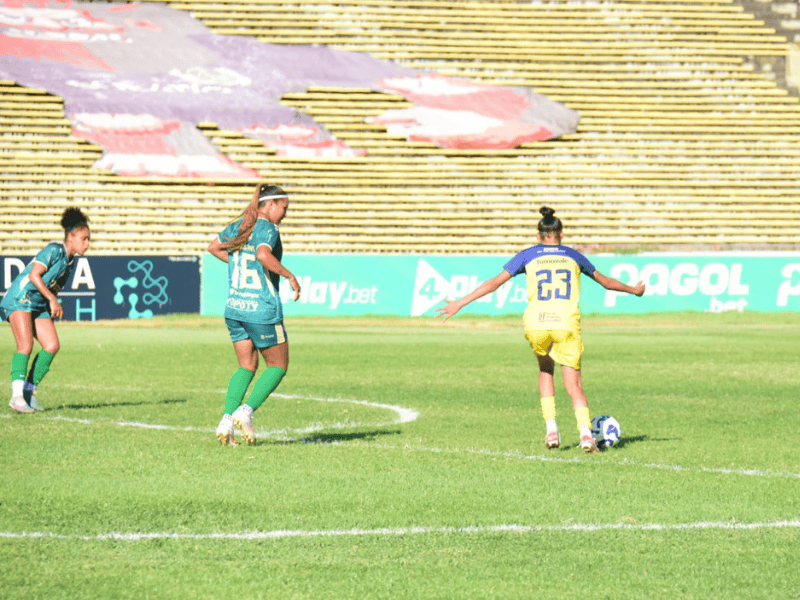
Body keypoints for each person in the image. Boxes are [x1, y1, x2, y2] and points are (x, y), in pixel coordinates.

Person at [436, 206, 645, 453]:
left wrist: (460, 303)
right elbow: (606, 282)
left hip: (536, 323)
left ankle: (551, 430)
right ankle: (586, 435)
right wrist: (634, 290)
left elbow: (494, 283)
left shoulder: (527, 255)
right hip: (565, 323)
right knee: (574, 385)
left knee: (546, 369)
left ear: (539, 236)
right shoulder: (573, 256)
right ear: (561, 234)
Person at [207, 183, 301, 446]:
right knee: (278, 366)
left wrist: (238, 262)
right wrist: (289, 276)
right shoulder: (268, 228)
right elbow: (262, 254)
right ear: (270, 205)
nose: (285, 214)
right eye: (284, 208)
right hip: (261, 309)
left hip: (235, 306)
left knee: (246, 365)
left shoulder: (240, 225)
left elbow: (213, 247)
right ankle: (245, 411)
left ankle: (226, 421)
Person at [1, 208, 91, 413]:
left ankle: (28, 393)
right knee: (25, 346)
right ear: (71, 236)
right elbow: (34, 275)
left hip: (37, 305)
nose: (87, 243)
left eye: (88, 239)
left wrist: (51, 301)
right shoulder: (54, 250)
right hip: (20, 298)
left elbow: (53, 287)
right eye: (84, 239)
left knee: (51, 345)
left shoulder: (70, 263)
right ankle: (16, 398)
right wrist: (52, 299)